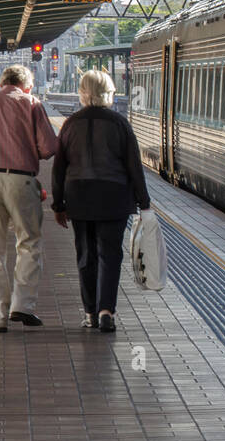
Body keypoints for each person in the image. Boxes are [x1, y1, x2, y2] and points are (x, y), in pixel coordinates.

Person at [51, 70, 150, 333]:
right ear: (109, 92)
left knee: (86, 255)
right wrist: (144, 202)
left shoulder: (70, 124)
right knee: (110, 255)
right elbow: (133, 165)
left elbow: (59, 167)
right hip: (113, 198)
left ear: (82, 92)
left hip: (79, 197)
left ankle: (90, 314)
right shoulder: (119, 123)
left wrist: (58, 205)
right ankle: (107, 311)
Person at [0, 64, 60, 332]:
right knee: (29, 241)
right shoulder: (32, 103)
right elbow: (49, 148)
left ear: (2, 83)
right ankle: (23, 305)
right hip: (21, 182)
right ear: (26, 85)